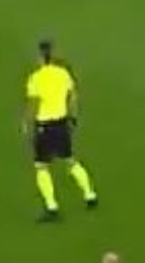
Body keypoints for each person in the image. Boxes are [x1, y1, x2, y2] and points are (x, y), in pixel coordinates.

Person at [24, 40, 98, 222]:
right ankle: (90, 194)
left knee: (41, 166)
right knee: (70, 161)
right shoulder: (63, 73)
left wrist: (26, 122)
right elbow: (73, 96)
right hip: (62, 123)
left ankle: (51, 207)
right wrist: (73, 116)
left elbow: (33, 103)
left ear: (40, 57)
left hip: (44, 126)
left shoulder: (36, 77)